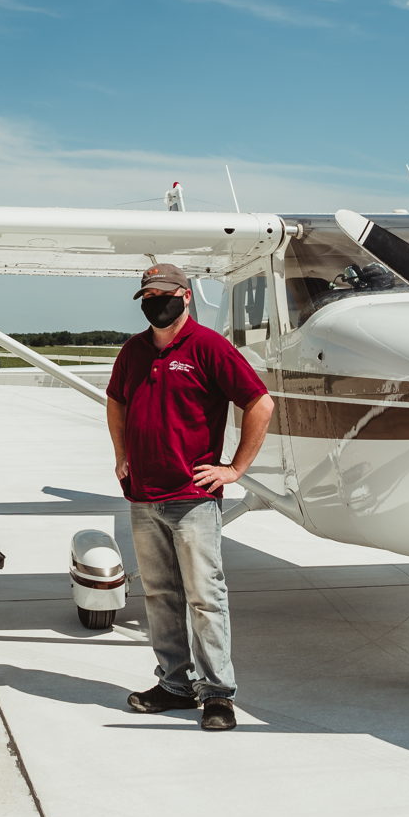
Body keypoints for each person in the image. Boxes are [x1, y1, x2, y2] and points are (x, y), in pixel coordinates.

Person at [106, 262, 274, 731]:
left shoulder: (209, 347)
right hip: (142, 496)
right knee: (159, 594)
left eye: (164, 295)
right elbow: (116, 399)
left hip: (191, 497)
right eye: (148, 298)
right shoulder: (134, 351)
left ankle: (217, 693)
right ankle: (174, 684)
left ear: (185, 297)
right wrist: (121, 453)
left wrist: (235, 468)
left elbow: (260, 402)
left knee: (205, 597)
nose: (156, 304)